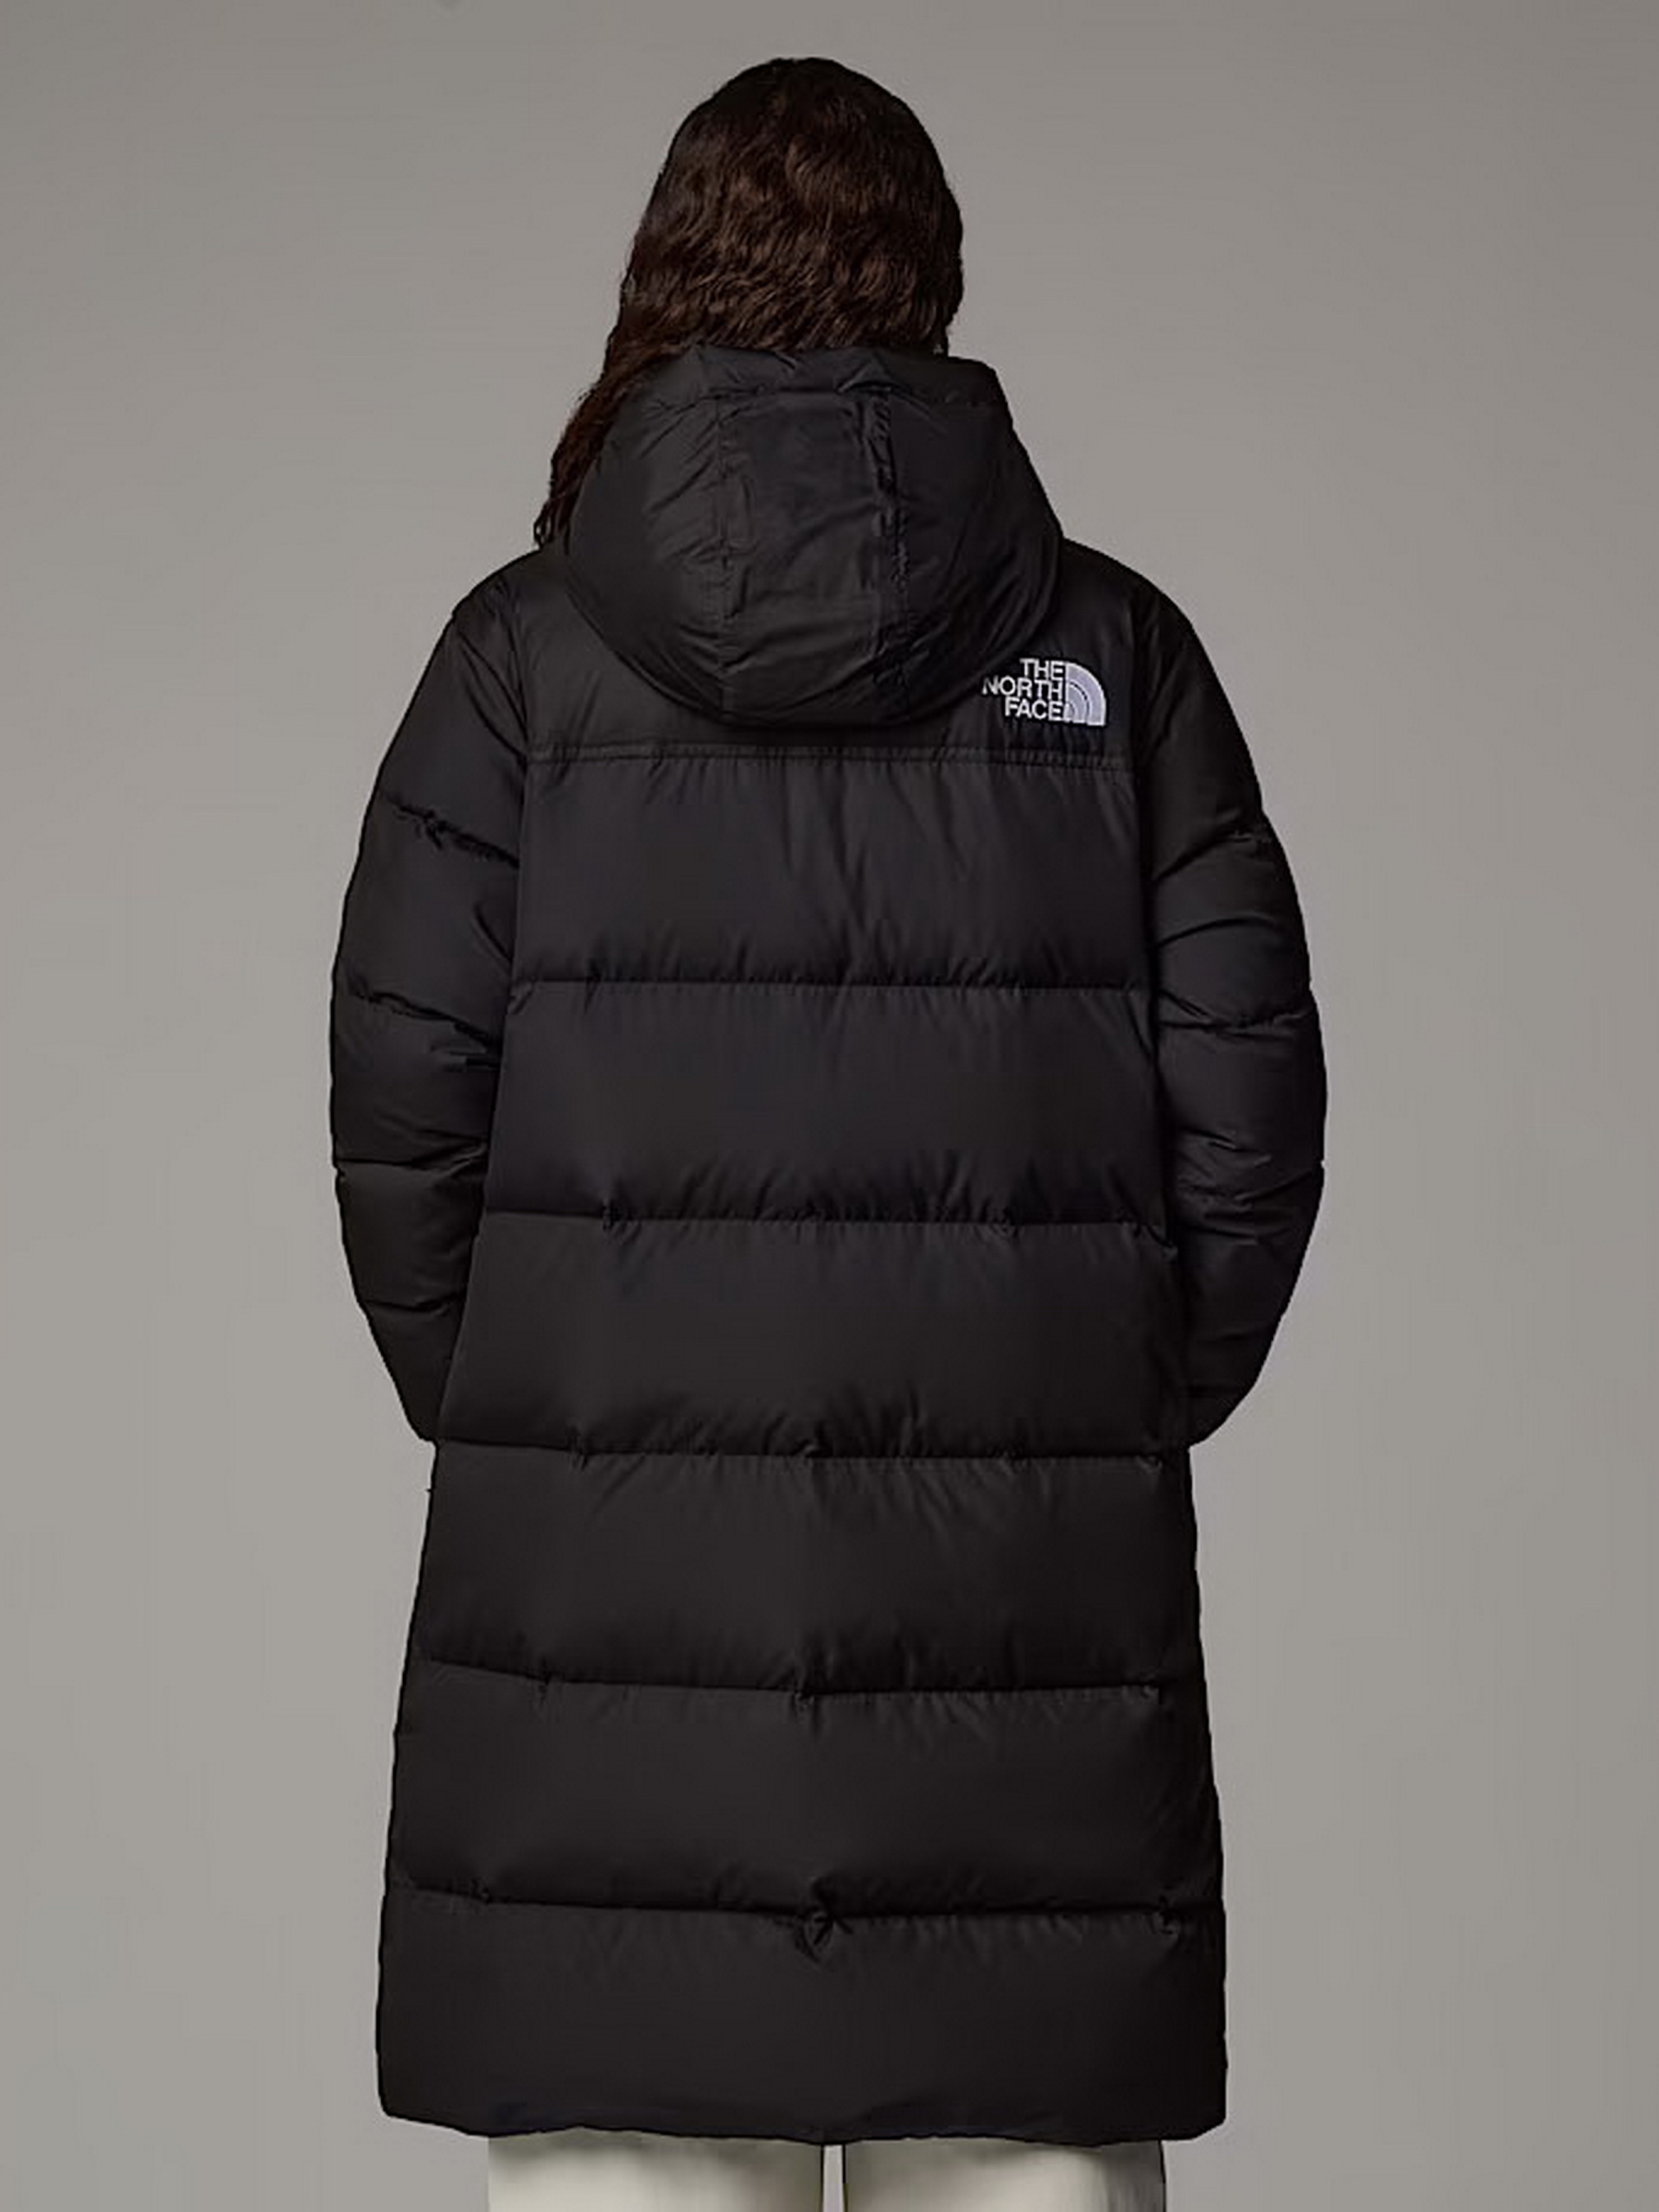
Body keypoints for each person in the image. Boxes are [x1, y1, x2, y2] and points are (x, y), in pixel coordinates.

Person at [327, 53, 1326, 2212]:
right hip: (1024, 1686)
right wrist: (1079, 1398)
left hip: (602, 1700)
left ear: (662, 278)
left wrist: (555, 1406)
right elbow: (1250, 1127)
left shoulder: (517, 666)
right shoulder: (1114, 659)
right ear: (928, 286)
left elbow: (403, 1131)